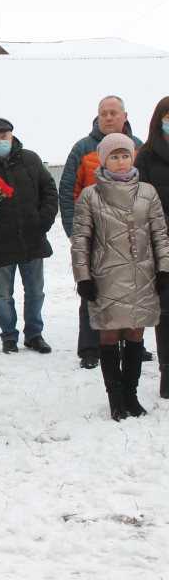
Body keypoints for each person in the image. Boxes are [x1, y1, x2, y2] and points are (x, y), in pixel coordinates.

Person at [71, 133, 169, 420]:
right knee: (111, 334)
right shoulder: (91, 195)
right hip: (107, 276)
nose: (121, 161)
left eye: (125, 155)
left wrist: (164, 269)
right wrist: (83, 277)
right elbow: (81, 239)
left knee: (136, 334)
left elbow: (160, 235)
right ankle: (115, 397)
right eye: (114, 156)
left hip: (142, 275)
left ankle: (131, 394)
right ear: (104, 160)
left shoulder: (148, 192)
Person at [59, 96, 146, 369]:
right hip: (96, 235)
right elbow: (68, 192)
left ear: (125, 116)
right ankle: (89, 348)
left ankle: (132, 344)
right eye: (103, 113)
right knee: (93, 292)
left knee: (133, 291)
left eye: (113, 113)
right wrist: (74, 232)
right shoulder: (83, 148)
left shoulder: (140, 147)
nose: (108, 118)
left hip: (132, 235)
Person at [0, 118, 58, 355]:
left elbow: (49, 189)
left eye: (4, 136)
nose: (0, 141)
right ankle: (9, 337)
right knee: (4, 294)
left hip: (32, 238)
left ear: (12, 136)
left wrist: (44, 220)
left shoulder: (30, 159)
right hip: (1, 242)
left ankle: (34, 334)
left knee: (35, 291)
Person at [135, 96, 169, 399]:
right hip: (161, 244)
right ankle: (168, 375)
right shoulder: (145, 156)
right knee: (166, 312)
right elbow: (140, 202)